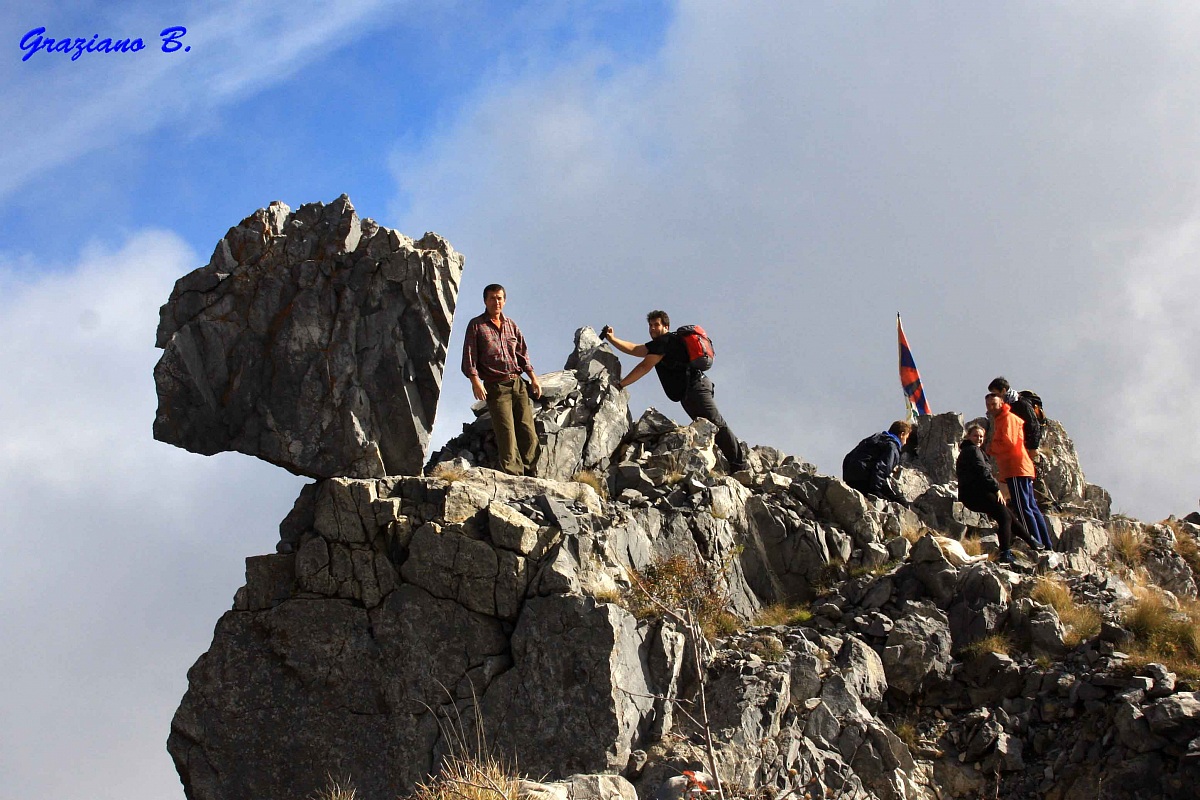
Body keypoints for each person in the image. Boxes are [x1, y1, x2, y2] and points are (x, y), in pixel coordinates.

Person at [602, 311, 747, 471]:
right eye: (650, 325)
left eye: (656, 325)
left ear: (666, 326)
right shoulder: (661, 344)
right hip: (691, 391)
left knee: (716, 424)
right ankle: (727, 464)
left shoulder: (665, 341)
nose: (652, 328)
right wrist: (612, 339)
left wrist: (621, 385)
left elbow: (644, 366)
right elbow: (636, 349)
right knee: (708, 428)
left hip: (696, 388)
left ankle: (740, 465)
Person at [461, 284, 542, 476]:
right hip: (496, 386)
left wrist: (533, 378)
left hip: (518, 383)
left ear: (504, 301)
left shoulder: (511, 325)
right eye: (492, 298)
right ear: (485, 301)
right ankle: (513, 474)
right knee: (506, 432)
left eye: (499, 298)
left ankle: (531, 471)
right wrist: (475, 382)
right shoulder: (477, 325)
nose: (496, 302)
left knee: (527, 429)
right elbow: (469, 356)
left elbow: (522, 354)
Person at [956, 422, 1040, 562]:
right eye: (975, 435)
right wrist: (996, 489)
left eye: (981, 436)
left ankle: (1032, 542)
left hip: (972, 494)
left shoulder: (969, 450)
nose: (979, 439)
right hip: (976, 493)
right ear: (968, 436)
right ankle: (1005, 552)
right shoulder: (973, 450)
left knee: (1007, 513)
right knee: (1004, 517)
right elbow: (983, 472)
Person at [985, 393, 1052, 549]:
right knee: (1031, 507)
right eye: (988, 405)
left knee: (1022, 508)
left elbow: (1008, 442)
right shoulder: (1007, 417)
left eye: (994, 404)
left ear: (1001, 403)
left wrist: (991, 448)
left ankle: (1035, 543)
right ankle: (1046, 544)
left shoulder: (1006, 418)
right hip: (1021, 467)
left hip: (1015, 468)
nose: (991, 408)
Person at [842, 421, 912, 504]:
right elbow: (882, 468)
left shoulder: (873, 439)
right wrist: (875, 491)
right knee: (901, 501)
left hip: (850, 478)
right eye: (906, 438)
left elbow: (848, 457)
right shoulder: (892, 446)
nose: (905, 442)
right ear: (902, 434)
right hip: (866, 480)